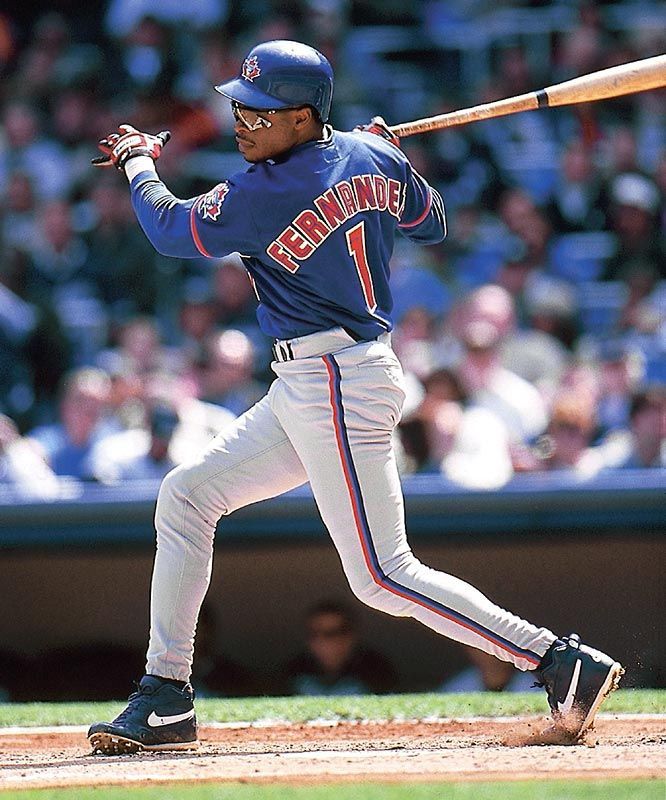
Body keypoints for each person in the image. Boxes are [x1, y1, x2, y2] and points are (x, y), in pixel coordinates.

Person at [87, 40, 622, 755]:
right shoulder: (369, 158)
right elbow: (430, 219)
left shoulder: (265, 190)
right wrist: (386, 161)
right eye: (241, 105)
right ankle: (165, 695)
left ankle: (556, 660)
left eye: (262, 111)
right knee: (187, 496)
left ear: (304, 117)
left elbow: (166, 225)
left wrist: (138, 159)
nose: (242, 120)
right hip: (316, 379)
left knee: (380, 574)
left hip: (336, 378)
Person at [281, 601, 397, 696]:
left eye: (331, 633)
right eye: (314, 633)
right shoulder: (293, 671)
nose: (323, 641)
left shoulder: (376, 670)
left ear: (351, 636)